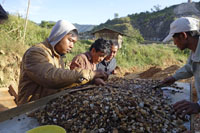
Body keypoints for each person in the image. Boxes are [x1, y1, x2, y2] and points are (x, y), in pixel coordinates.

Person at [17, 20, 108, 105]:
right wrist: (91, 74)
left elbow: (64, 81)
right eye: (70, 40)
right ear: (59, 35)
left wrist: (91, 81)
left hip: (45, 104)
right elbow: (51, 77)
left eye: (74, 43)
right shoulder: (36, 52)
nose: (72, 46)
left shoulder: (58, 57)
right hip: (29, 108)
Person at [161, 17, 200, 116]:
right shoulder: (194, 50)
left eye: (174, 39)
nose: (174, 43)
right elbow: (190, 68)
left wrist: (198, 105)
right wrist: (174, 77)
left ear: (183, 35)